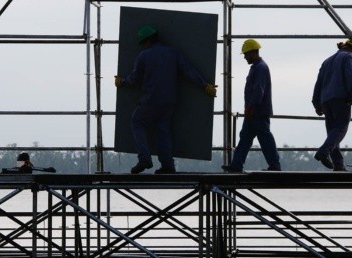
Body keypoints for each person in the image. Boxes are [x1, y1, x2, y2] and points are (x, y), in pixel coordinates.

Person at [115, 26, 218, 174]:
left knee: (138, 122)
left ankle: (144, 158)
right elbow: (189, 70)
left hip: (150, 99)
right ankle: (168, 165)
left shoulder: (144, 56)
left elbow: (135, 78)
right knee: (162, 130)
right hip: (169, 101)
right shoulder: (173, 53)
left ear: (148, 41)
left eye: (144, 42)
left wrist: (122, 82)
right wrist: (205, 85)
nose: (143, 45)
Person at [222, 39, 281, 172]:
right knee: (246, 138)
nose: (245, 57)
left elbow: (258, 89)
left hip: (257, 111)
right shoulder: (258, 67)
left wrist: (252, 106)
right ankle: (236, 165)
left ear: (254, 52)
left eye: (246, 54)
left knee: (264, 138)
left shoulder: (260, 68)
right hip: (254, 111)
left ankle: (275, 165)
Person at [312, 39, 352, 172]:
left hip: (326, 100)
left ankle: (338, 164)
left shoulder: (327, 61)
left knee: (332, 131)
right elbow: (350, 76)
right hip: (341, 98)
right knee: (341, 128)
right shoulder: (349, 57)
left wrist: (316, 102)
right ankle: (323, 152)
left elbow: (318, 83)